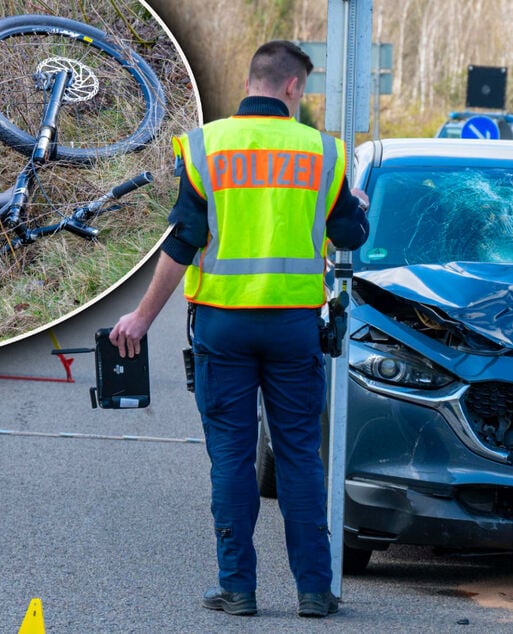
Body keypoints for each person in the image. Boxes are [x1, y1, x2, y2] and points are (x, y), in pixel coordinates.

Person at [109, 40, 368, 618]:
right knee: (300, 456)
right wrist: (358, 205)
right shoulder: (323, 153)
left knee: (230, 458)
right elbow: (351, 237)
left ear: (252, 81)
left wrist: (142, 316)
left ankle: (238, 588)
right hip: (294, 327)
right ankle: (314, 591)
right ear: (294, 88)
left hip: (222, 328)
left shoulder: (206, 147)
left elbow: (183, 239)